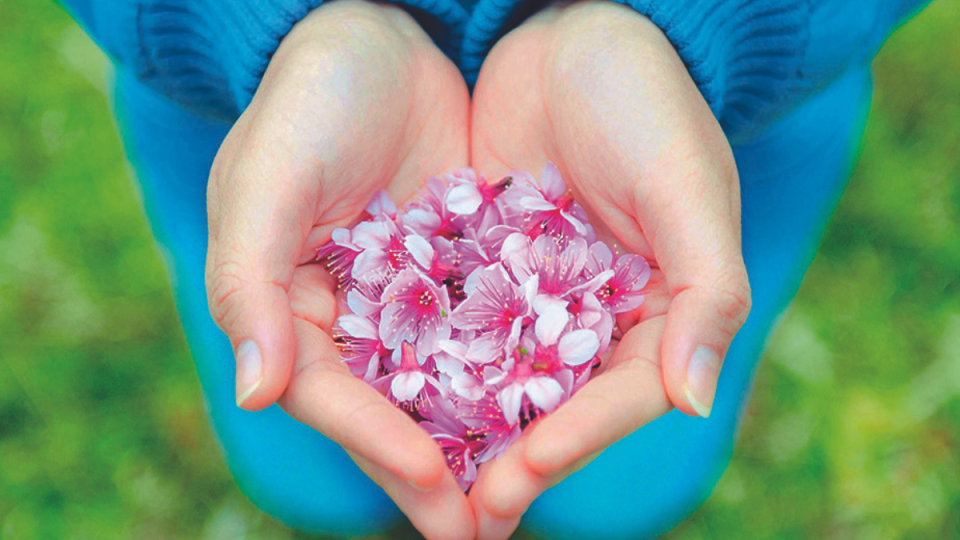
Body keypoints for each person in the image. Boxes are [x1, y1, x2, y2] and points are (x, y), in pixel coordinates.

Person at [58, 0, 931, 538]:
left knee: (632, 460)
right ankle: (321, 498)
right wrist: (281, 22)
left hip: (728, 107)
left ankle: (624, 505)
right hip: (240, 96)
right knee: (297, 409)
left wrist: (695, 19)